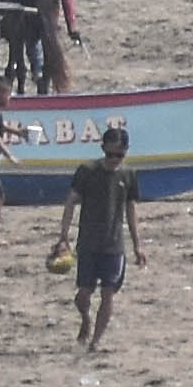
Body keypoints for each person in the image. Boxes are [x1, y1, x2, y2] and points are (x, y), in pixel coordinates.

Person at [68, 124, 138, 347]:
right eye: (110, 154)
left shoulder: (128, 175)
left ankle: (95, 342)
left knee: (108, 294)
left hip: (114, 245)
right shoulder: (87, 171)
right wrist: (63, 236)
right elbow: (71, 202)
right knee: (83, 295)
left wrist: (138, 245)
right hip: (88, 242)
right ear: (102, 149)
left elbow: (131, 209)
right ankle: (86, 319)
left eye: (119, 155)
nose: (114, 159)